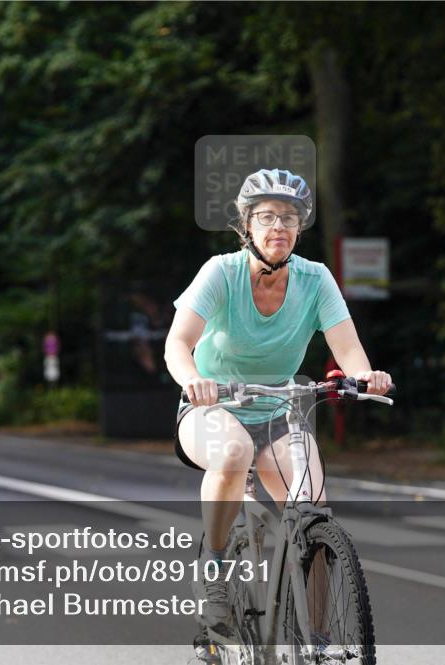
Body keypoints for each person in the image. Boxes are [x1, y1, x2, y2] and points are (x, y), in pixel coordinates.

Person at [164, 168, 392, 636]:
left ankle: (319, 638)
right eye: (267, 217)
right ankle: (213, 569)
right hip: (211, 410)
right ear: (246, 226)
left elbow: (348, 350)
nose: (279, 228)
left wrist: (365, 376)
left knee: (313, 506)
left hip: (277, 412)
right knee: (233, 452)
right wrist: (193, 380)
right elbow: (177, 343)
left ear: (300, 227)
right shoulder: (221, 273)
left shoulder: (315, 279)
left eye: (289, 218)